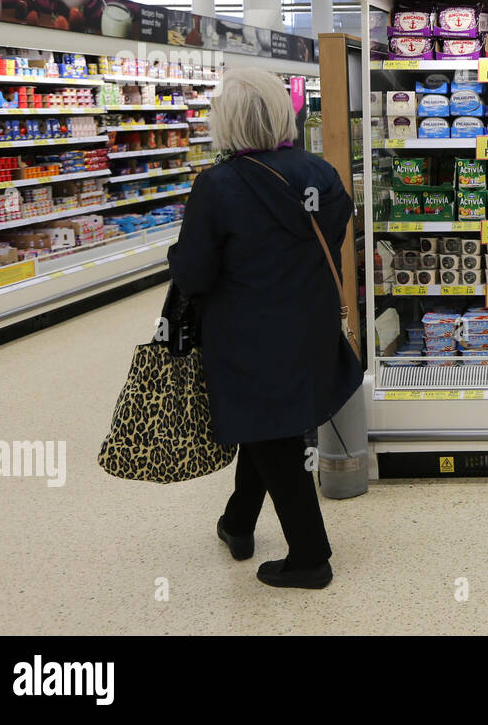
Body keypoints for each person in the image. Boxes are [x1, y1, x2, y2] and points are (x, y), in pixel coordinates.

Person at [167, 68, 362, 589]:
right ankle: (238, 523)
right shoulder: (320, 172)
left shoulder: (219, 184)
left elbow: (194, 274)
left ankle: (309, 558)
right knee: (273, 427)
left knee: (270, 433)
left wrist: (176, 254)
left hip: (248, 335)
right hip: (312, 325)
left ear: (226, 122)